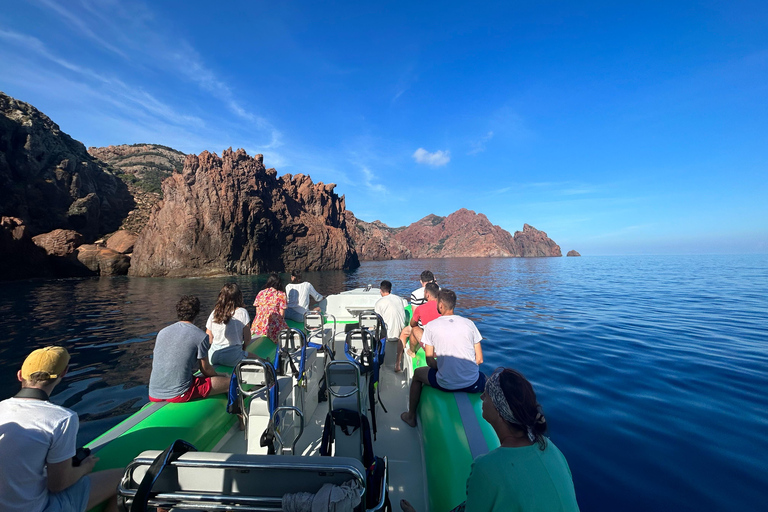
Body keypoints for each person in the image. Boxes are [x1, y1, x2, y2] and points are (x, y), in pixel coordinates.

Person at [400, 368, 580, 512]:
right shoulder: (550, 447)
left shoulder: (487, 468)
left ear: (500, 412)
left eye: (486, 395)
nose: (481, 397)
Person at [0, 346, 123, 512]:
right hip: (40, 508)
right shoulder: (62, 419)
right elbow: (57, 485)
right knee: (126, 477)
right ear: (63, 373)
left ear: (20, 374)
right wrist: (84, 468)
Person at [401, 289, 485, 428]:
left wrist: (444, 367)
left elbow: (429, 360)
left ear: (440, 306)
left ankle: (411, 416)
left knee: (417, 375)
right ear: (454, 305)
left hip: (446, 383)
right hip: (473, 382)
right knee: (489, 381)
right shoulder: (469, 324)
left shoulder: (432, 326)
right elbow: (480, 360)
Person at [149, 295, 230, 403]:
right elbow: (205, 369)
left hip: (153, 393)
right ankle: (238, 415)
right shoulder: (201, 336)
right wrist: (220, 377)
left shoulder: (162, 332)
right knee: (230, 383)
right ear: (196, 313)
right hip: (180, 393)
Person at [395, 281, 440, 372]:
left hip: (431, 345)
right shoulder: (443, 307)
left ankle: (401, 360)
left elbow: (412, 324)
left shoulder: (421, 308)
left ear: (427, 295)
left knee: (413, 330)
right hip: (441, 340)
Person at [206, 283, 253, 367]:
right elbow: (247, 338)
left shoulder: (215, 312)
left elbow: (209, 337)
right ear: (239, 297)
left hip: (213, 356)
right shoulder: (242, 312)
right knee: (258, 359)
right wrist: (243, 349)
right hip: (232, 357)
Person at [251, 273, 289, 341]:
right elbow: (282, 315)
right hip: (272, 324)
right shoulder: (281, 294)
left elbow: (257, 312)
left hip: (258, 325)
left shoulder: (261, 293)